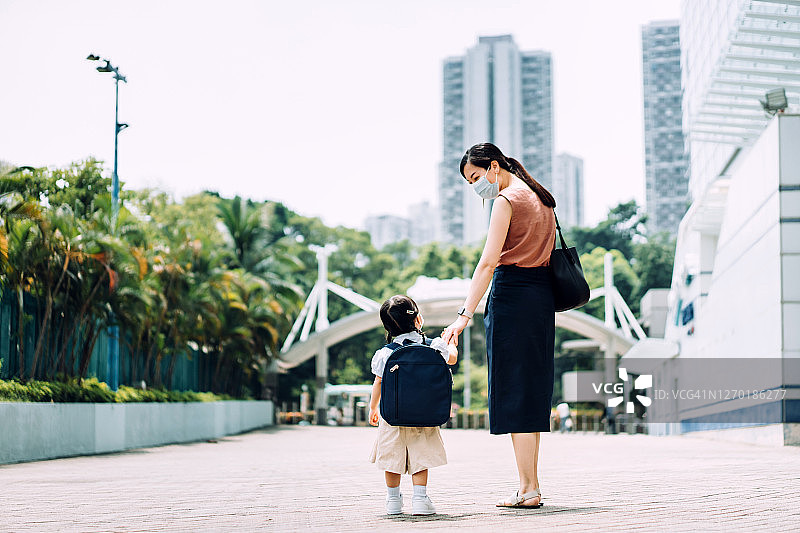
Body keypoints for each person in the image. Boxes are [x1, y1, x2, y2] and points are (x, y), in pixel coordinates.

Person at [442, 142, 557, 509]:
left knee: (514, 390)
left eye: (475, 177)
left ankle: (528, 488)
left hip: (513, 298)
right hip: (541, 299)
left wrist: (464, 315)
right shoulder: (542, 198)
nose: (475, 186)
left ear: (494, 166)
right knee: (531, 391)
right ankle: (530, 485)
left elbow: (487, 263)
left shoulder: (506, 201)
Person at [368, 295, 458, 516]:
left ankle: (393, 501)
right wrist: (450, 343)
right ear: (417, 319)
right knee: (420, 458)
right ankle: (420, 499)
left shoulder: (385, 353)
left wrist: (373, 408)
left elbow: (378, 382)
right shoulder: (434, 346)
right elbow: (452, 359)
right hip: (424, 413)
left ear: (387, 327)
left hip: (393, 415)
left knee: (392, 459)